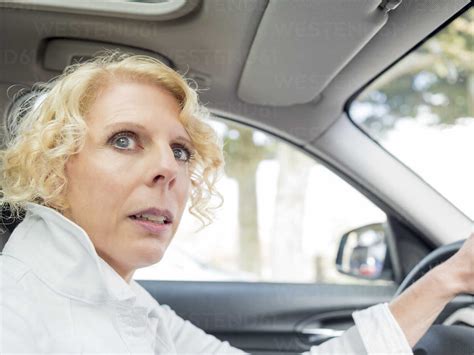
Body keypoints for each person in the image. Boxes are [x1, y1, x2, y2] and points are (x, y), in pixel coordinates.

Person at [0, 53, 472, 354]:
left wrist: (451, 277)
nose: (169, 169)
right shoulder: (13, 310)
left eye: (180, 151)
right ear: (53, 168)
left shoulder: (129, 304)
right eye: (125, 140)